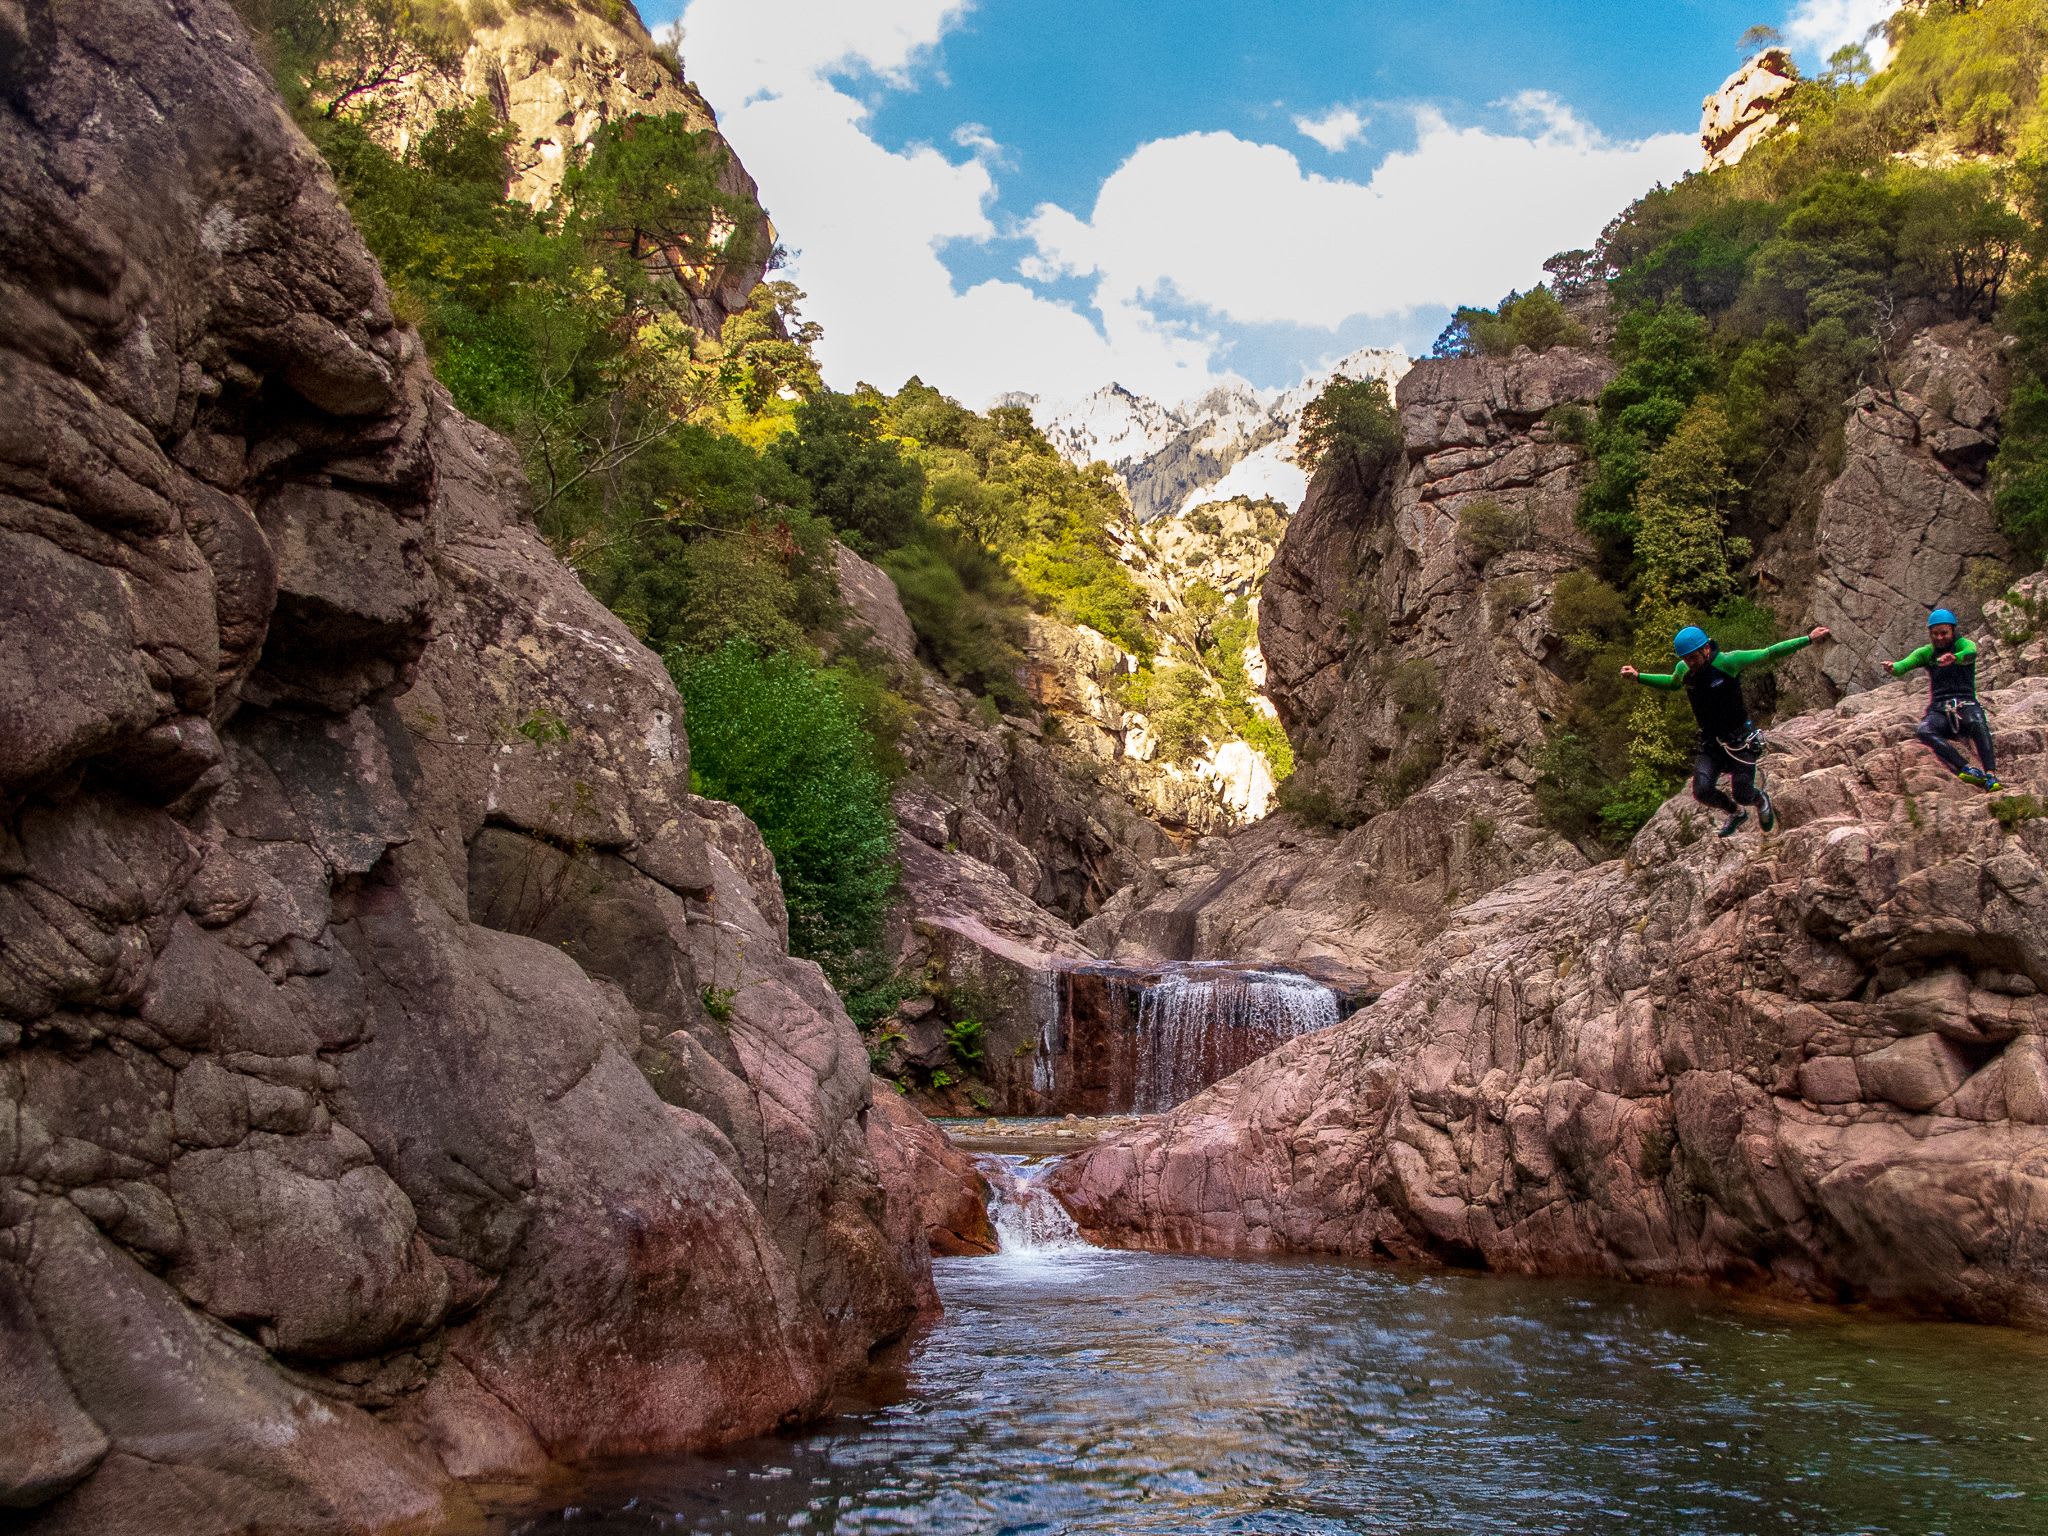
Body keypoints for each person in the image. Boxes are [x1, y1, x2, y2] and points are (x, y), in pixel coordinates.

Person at [1621, 623, 1831, 837]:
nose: (1690, 663)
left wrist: (1808, 639)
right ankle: (1735, 813)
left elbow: (1769, 653)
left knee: (1743, 793)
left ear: (1706, 649)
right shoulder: (1684, 670)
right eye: (1686, 659)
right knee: (1702, 791)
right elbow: (1672, 683)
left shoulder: (1729, 662)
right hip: (1711, 742)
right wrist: (1639, 677)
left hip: (1740, 740)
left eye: (1693, 657)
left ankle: (1761, 800)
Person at [1890, 607, 2003, 790]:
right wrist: (1894, 667)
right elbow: (1905, 665)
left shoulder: (1963, 645)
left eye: (1944, 633)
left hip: (1965, 703)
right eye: (1935, 634)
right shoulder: (1926, 652)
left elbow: (1971, 653)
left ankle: (1991, 774)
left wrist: (1955, 657)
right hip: (1939, 708)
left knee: (1978, 723)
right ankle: (1966, 768)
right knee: (1924, 731)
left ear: (1953, 630)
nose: (1940, 638)